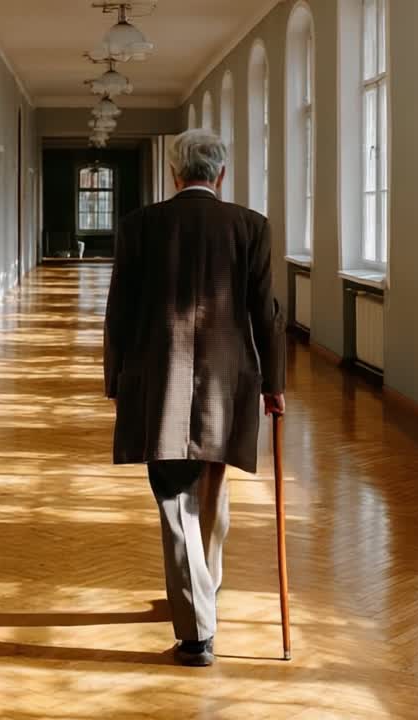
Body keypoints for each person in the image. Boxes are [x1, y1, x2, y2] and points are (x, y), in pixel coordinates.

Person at [103, 129, 286, 667]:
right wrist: (274, 384)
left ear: (174, 173)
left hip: (159, 381)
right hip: (229, 384)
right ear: (221, 174)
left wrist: (116, 377)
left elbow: (120, 309)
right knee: (208, 493)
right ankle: (203, 592)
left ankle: (197, 632)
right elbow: (266, 314)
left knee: (175, 500)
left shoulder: (140, 226)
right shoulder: (250, 227)